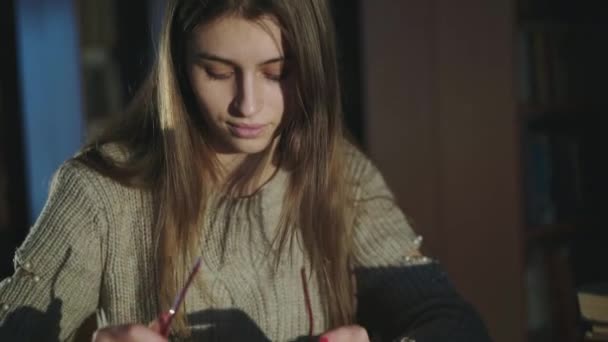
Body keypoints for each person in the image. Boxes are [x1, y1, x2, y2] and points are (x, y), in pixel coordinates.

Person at [0, 0, 492, 341]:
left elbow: (450, 320)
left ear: (314, 66)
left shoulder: (342, 175)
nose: (247, 105)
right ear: (178, 65)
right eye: (216, 72)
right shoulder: (99, 193)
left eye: (277, 73)